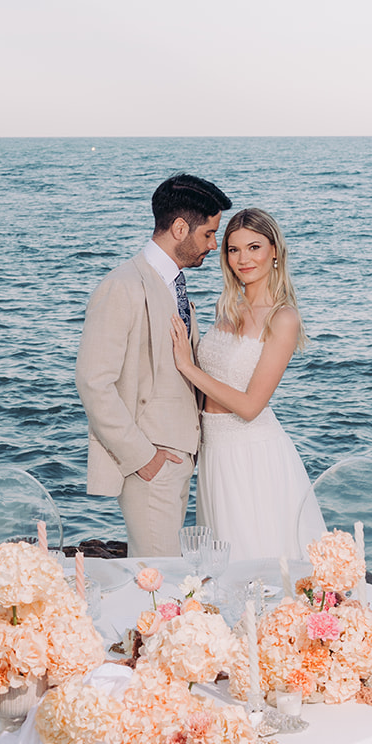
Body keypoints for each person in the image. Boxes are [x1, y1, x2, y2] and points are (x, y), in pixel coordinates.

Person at [75, 173, 232, 557]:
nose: (214, 246)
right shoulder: (123, 285)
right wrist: (145, 458)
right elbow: (93, 381)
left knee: (166, 580)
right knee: (159, 583)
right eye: (209, 234)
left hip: (180, 460)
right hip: (150, 463)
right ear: (180, 228)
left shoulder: (173, 284)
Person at [169, 207, 325, 562]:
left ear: (274, 252)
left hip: (253, 455)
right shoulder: (228, 310)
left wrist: (186, 366)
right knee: (222, 564)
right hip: (214, 450)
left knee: (256, 560)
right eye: (233, 249)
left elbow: (252, 406)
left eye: (254, 247)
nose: (243, 259)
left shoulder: (282, 318)